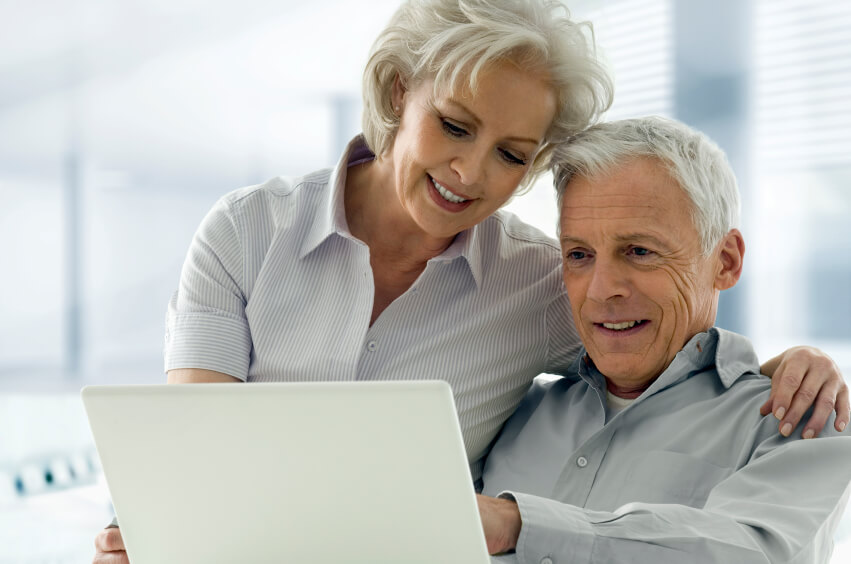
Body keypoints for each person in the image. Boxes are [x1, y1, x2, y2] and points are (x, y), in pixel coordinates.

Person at [93, 1, 848, 562]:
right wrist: (163, 533)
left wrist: (783, 367)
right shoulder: (248, 229)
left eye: (512, 155)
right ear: (397, 94)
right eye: (454, 126)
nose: (469, 174)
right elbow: (195, 451)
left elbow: (663, 338)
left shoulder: (535, 280)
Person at [476, 116, 851, 562]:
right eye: (579, 255)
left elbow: (753, 553)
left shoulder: (796, 418)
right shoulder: (518, 411)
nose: (601, 289)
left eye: (639, 251)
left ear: (726, 261)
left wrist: (520, 525)